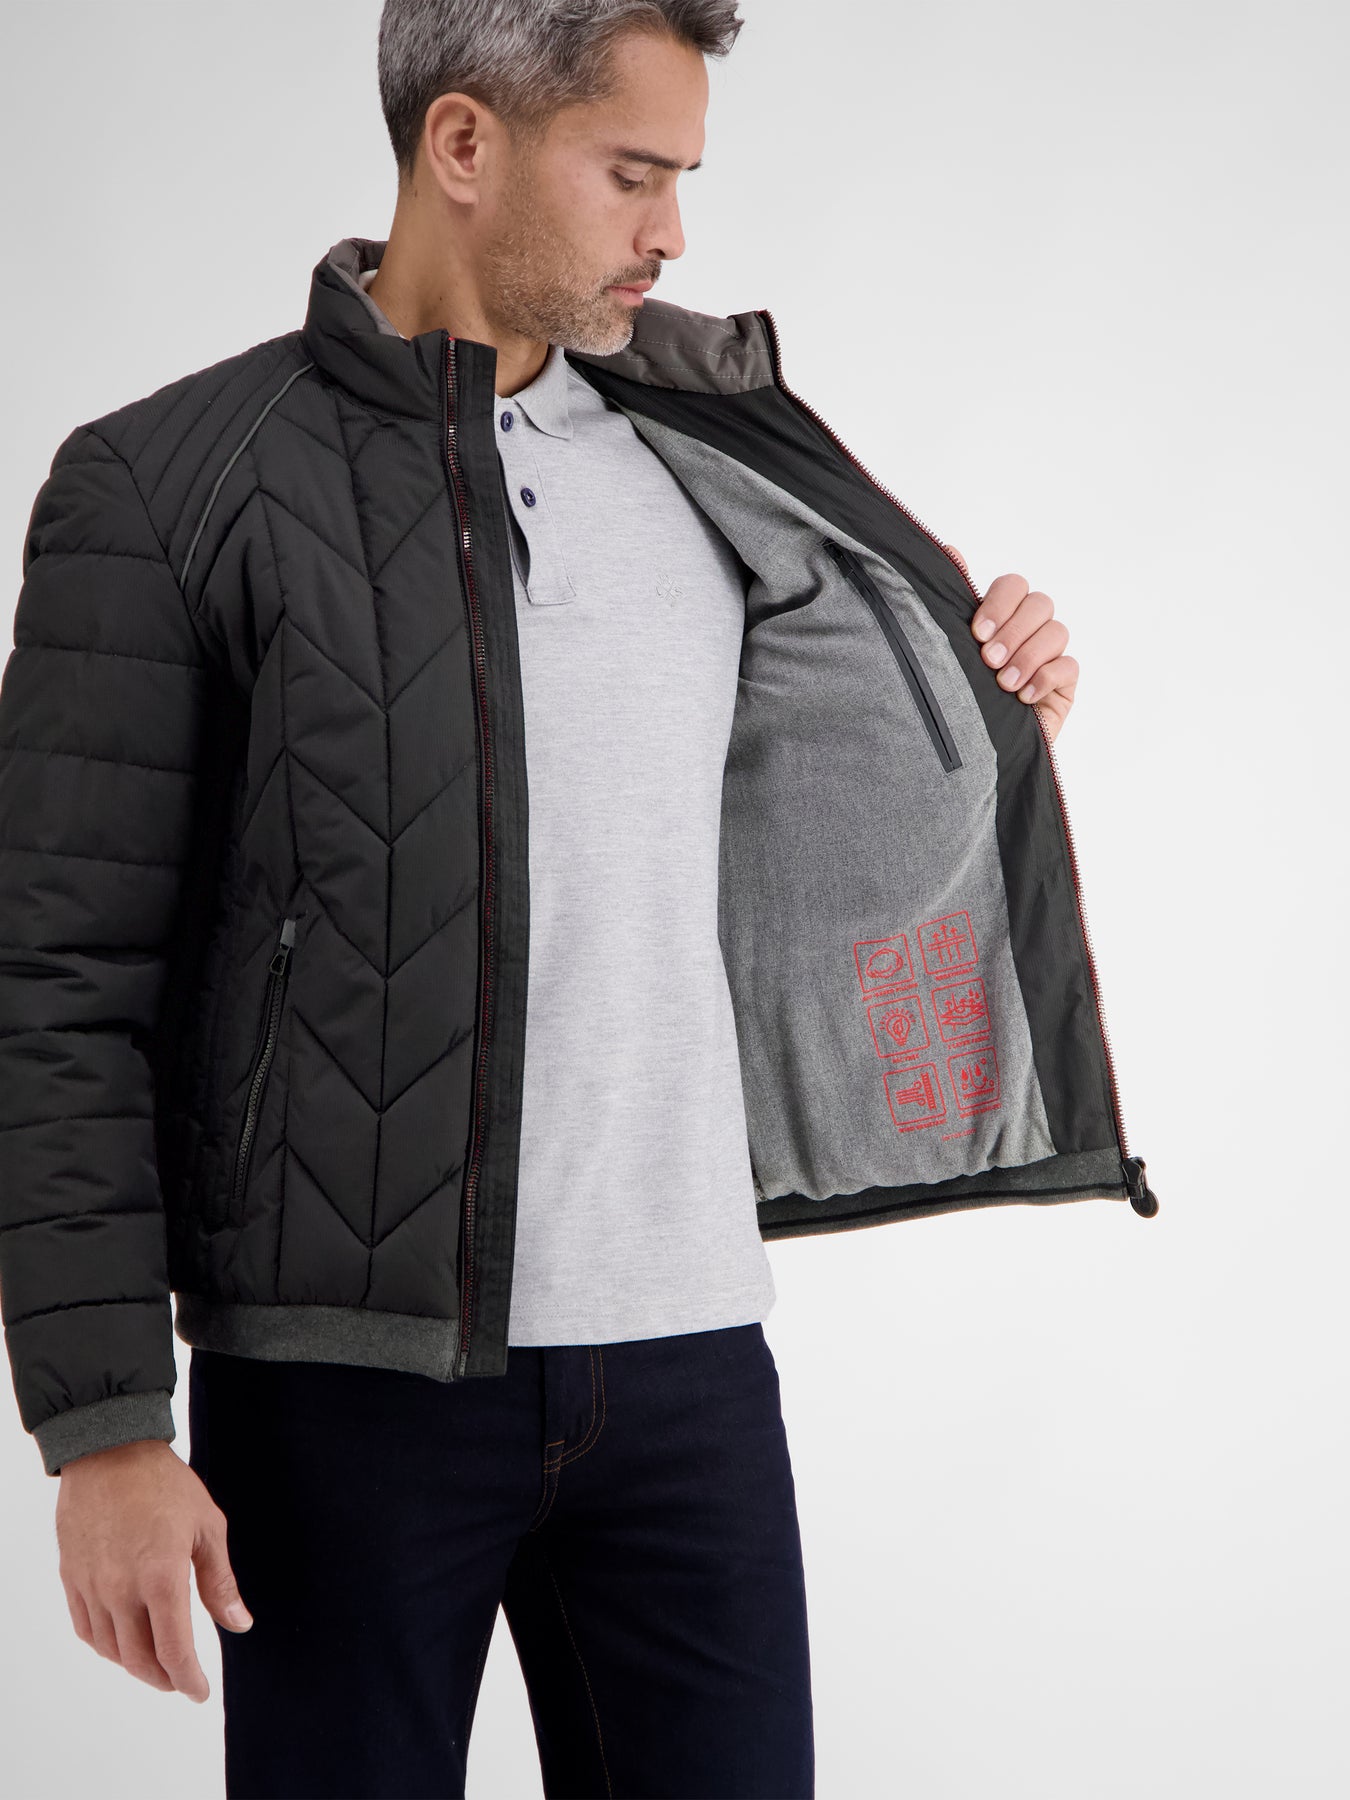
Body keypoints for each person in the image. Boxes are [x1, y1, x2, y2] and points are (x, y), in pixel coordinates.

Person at [0, 2, 1155, 1795]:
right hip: (343, 1384)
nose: (672, 231)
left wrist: (975, 712)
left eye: (682, 177)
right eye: (631, 174)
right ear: (463, 145)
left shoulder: (716, 453)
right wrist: (101, 1429)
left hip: (689, 1366)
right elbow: (56, 977)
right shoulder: (169, 482)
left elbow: (779, 829)